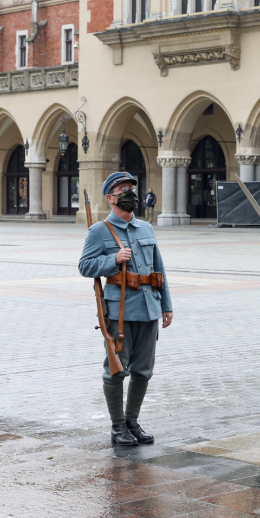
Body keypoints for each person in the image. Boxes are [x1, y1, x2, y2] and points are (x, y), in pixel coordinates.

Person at [79, 172, 173, 446]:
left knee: (143, 371)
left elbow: (159, 269)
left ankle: (132, 421)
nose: (129, 193)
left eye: (131, 188)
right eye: (122, 189)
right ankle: (117, 426)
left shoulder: (147, 229)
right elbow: (85, 266)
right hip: (119, 311)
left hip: (149, 308)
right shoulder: (99, 231)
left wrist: (166, 305)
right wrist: (112, 259)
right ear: (110, 198)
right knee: (116, 369)